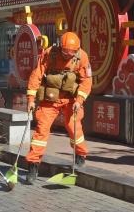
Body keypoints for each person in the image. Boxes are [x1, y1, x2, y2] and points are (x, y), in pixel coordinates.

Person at [25, 32, 92, 184]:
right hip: (51, 99)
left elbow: (86, 81)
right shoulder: (50, 54)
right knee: (41, 130)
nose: (68, 55)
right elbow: (36, 75)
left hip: (71, 99)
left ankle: (80, 155)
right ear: (60, 47)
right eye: (65, 51)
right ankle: (33, 165)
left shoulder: (82, 57)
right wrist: (30, 99)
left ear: (77, 50)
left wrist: (79, 100)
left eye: (72, 52)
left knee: (74, 127)